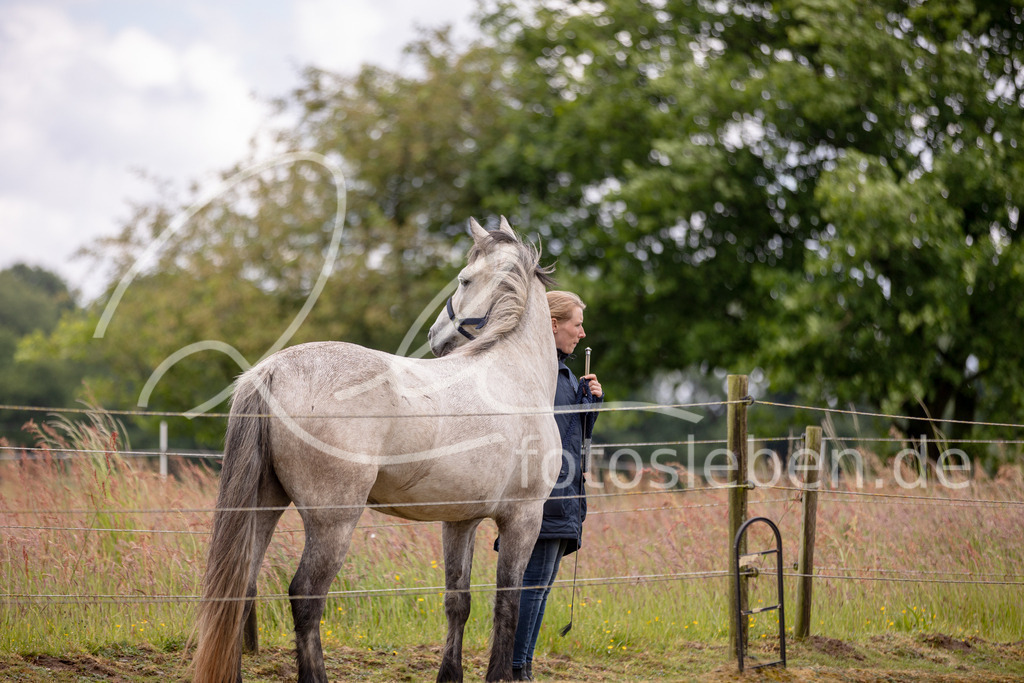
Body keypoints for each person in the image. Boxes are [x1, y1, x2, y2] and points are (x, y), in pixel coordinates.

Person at [512, 290, 603, 681]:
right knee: (532, 587)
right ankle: (516, 669)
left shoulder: (563, 374)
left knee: (542, 587)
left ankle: (524, 667)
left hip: (564, 496)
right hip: (544, 497)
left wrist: (590, 407)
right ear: (553, 325)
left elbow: (573, 440)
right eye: (576, 324)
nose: (582, 333)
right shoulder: (540, 374)